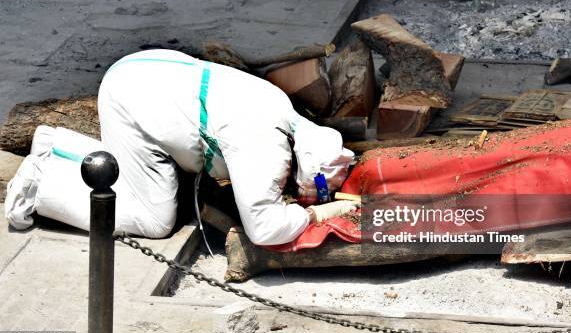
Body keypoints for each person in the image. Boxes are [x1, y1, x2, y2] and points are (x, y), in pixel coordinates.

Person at [5, 49, 358, 245]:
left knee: (136, 186)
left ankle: (55, 147)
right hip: (134, 98)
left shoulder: (283, 112)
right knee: (153, 220)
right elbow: (265, 229)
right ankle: (41, 182)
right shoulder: (266, 147)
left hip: (150, 72)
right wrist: (316, 214)